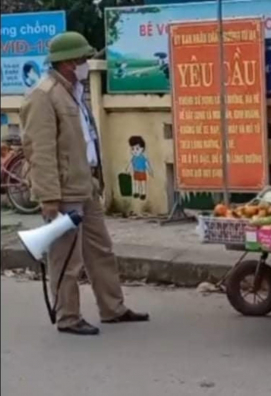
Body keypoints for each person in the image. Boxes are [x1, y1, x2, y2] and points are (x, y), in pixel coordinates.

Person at [20, 32, 149, 336]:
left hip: (85, 184)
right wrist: (48, 198)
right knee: (66, 257)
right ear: (67, 62)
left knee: (100, 249)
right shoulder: (44, 95)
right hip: (63, 190)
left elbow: (85, 137)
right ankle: (68, 316)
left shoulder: (74, 91)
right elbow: (40, 151)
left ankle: (112, 308)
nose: (86, 64)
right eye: (81, 59)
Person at [126, 135, 153, 200]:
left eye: (137, 149)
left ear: (142, 149)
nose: (135, 151)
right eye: (132, 149)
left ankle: (143, 193)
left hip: (142, 172)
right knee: (136, 183)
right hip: (136, 172)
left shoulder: (143, 158)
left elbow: (147, 165)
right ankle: (137, 192)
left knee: (143, 183)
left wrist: (150, 171)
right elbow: (131, 164)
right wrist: (128, 170)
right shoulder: (133, 158)